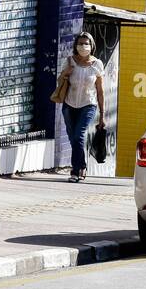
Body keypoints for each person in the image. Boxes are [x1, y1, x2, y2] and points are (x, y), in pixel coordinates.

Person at [58, 32, 105, 182]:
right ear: (75, 46)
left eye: (86, 44)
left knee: (78, 135)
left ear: (91, 46)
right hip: (69, 104)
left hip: (88, 105)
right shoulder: (69, 61)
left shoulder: (97, 64)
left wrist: (102, 115)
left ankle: (75, 170)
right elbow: (59, 81)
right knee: (73, 138)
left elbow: (100, 90)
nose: (83, 46)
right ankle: (82, 165)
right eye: (80, 44)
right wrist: (66, 72)